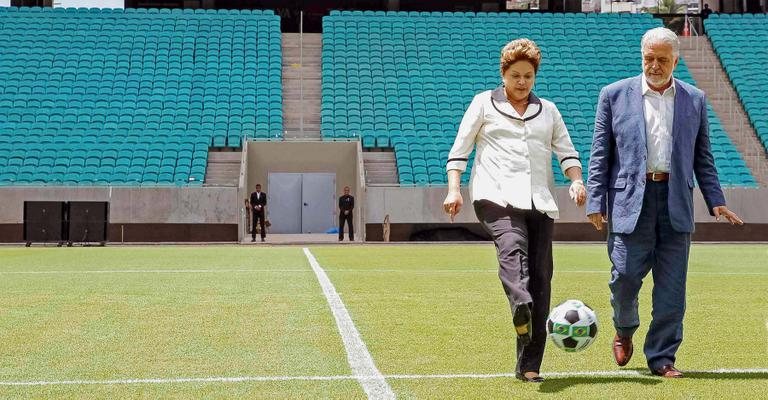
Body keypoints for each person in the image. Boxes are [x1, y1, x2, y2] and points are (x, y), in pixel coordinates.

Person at [586, 27, 743, 378]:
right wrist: (596, 201)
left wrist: (715, 200)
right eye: (648, 59)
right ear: (641, 57)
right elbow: (600, 155)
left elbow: (703, 157)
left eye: (662, 59)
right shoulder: (613, 95)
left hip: (675, 201)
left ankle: (662, 357)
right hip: (629, 201)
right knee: (623, 277)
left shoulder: (695, 99)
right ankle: (624, 329)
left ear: (676, 60)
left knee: (672, 289)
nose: (654, 66)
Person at [442, 38, 586, 383]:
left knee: (541, 279)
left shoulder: (548, 111)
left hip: (539, 201)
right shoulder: (483, 103)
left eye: (528, 77)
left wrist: (577, 181)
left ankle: (529, 364)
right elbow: (459, 149)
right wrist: (453, 189)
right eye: (516, 76)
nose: (522, 82)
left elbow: (567, 152)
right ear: (503, 74)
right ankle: (519, 304)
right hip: (495, 196)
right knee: (512, 247)